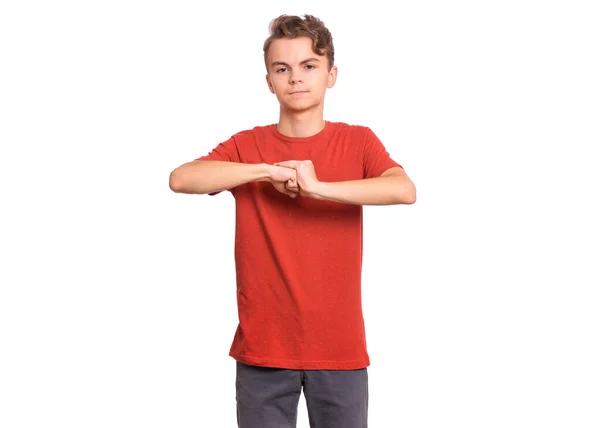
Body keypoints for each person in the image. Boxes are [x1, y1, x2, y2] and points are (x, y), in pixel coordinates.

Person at [169, 13, 416, 428]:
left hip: (340, 349)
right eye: (282, 68)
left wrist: (319, 187)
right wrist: (265, 170)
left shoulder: (357, 140)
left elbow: (403, 189)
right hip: (263, 348)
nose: (295, 78)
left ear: (331, 74)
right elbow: (182, 178)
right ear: (269, 80)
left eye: (309, 66)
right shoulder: (248, 145)